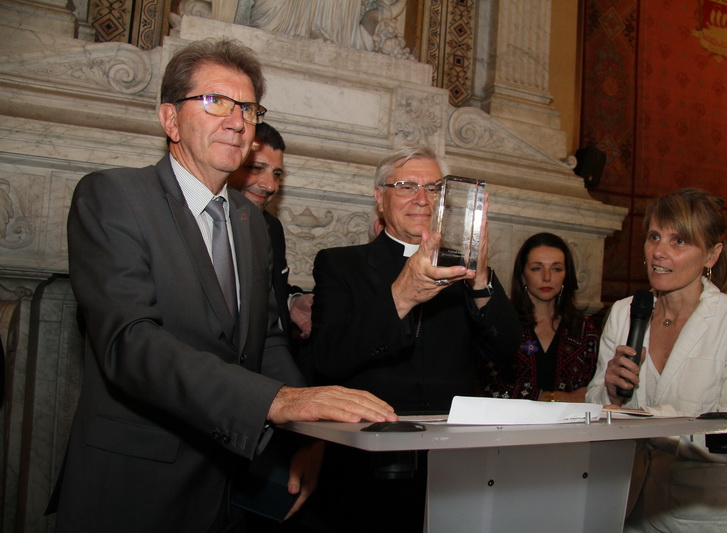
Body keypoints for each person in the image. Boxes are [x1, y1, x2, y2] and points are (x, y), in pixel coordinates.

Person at [51, 38, 396, 533]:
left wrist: (310, 430)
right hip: (132, 486)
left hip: (226, 482)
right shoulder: (113, 196)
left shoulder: (249, 222)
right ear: (170, 119)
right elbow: (130, 342)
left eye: (248, 108)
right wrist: (274, 403)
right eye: (215, 101)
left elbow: (269, 340)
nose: (237, 120)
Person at [305, 144, 522, 532]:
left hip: (454, 463)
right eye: (406, 186)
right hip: (367, 462)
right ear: (379, 198)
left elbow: (506, 350)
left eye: (435, 188)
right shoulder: (340, 264)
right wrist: (402, 294)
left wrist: (482, 276)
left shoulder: (465, 268)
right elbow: (325, 359)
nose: (422, 199)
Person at [586, 188, 727, 532]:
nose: (658, 251)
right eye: (654, 236)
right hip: (625, 510)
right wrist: (611, 396)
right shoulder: (624, 312)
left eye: (680, 241)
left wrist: (639, 419)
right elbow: (595, 408)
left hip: (703, 518)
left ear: (711, 255)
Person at [481, 232, 598, 402]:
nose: (547, 277)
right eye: (537, 268)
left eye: (556, 269)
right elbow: (489, 387)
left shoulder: (585, 329)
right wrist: (552, 397)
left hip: (573, 426)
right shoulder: (502, 324)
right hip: (511, 425)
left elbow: (592, 391)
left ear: (566, 275)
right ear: (522, 276)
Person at [228, 122, 314, 343]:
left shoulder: (271, 227)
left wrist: (292, 302)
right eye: (256, 168)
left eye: (277, 174)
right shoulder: (192, 219)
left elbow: (270, 291)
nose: (270, 186)